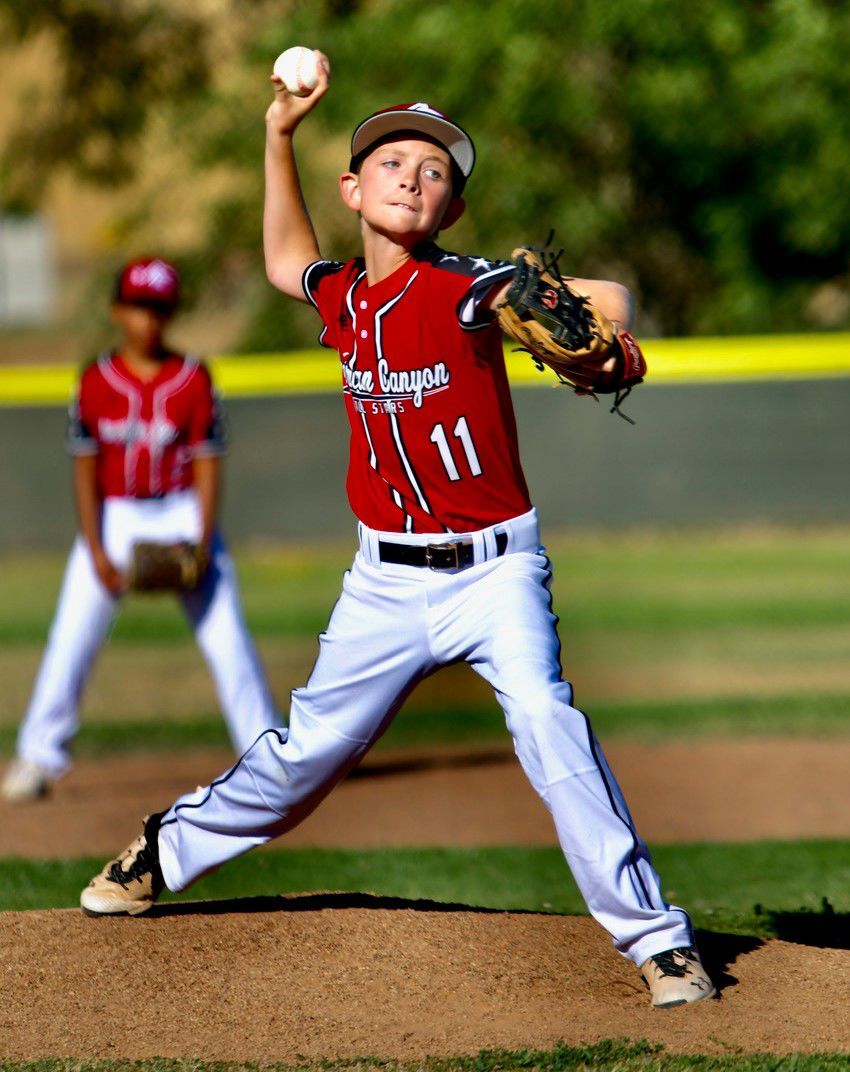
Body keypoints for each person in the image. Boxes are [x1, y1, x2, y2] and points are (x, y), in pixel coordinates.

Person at [79, 61, 716, 1010]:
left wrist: (610, 335)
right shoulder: (343, 297)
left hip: (494, 570)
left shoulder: (467, 288)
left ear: (454, 210)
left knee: (547, 721)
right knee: (304, 759)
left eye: (437, 170)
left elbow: (608, 294)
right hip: (383, 580)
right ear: (354, 189)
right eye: (393, 161)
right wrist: (278, 134)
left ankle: (659, 942)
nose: (415, 176)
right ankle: (162, 851)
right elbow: (282, 260)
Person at [1, 257, 281, 803]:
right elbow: (84, 469)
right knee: (71, 638)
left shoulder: (193, 377)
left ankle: (266, 756)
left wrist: (202, 538)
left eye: (159, 308)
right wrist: (96, 547)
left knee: (229, 640)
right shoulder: (94, 379)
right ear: (117, 310)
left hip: (180, 510)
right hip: (116, 515)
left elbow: (206, 461)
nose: (149, 319)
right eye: (139, 307)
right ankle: (38, 758)